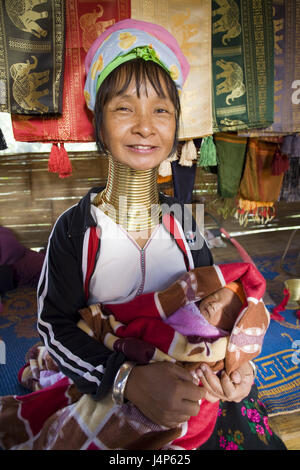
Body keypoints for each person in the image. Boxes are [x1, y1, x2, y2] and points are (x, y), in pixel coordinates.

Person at [0, 19, 286, 450]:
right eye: (124, 108)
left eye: (160, 110)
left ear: (175, 123)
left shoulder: (185, 223)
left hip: (193, 390)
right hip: (110, 383)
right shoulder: (76, 230)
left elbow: (212, 311)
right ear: (97, 118)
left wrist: (235, 370)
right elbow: (54, 325)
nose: (144, 126)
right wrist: (126, 381)